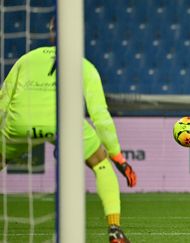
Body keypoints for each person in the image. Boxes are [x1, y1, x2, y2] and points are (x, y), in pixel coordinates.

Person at [0, 18, 136, 242]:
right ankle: (115, 230)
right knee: (101, 163)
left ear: (51, 33)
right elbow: (100, 116)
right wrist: (118, 157)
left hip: (20, 121)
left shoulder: (27, 59)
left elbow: (3, 102)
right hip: (64, 123)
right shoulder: (84, 65)